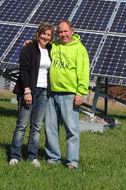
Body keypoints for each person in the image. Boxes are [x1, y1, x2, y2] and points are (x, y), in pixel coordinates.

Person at [45, 19, 89, 170]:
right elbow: (40, 45)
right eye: (60, 32)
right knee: (50, 128)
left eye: (65, 31)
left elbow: (83, 73)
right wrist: (28, 43)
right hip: (52, 93)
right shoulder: (54, 46)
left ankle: (72, 161)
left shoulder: (80, 49)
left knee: (72, 130)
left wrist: (80, 93)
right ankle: (53, 157)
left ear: (72, 32)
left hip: (70, 94)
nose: (63, 34)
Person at [9, 22, 54, 167]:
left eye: (48, 35)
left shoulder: (51, 49)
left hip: (43, 92)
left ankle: (32, 156)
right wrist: (27, 91)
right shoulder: (29, 48)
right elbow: (24, 70)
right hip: (29, 91)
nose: (45, 37)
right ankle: (14, 156)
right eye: (43, 33)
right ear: (38, 33)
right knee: (22, 125)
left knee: (36, 126)